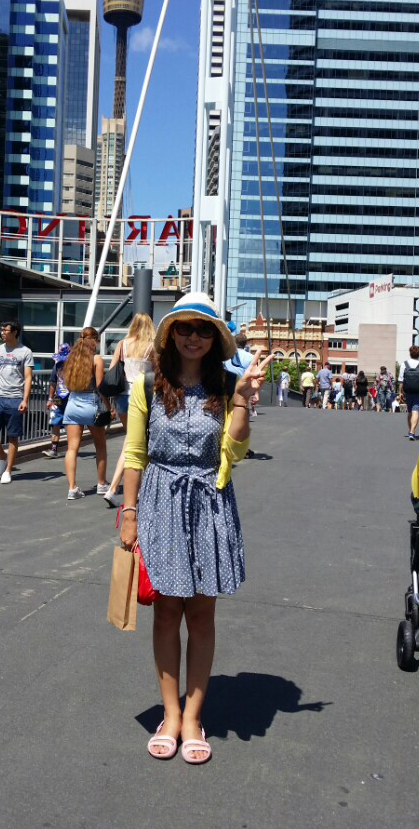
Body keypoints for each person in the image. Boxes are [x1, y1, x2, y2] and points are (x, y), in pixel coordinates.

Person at [120, 293, 273, 764]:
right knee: (166, 612)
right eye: (185, 328)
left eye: (204, 330)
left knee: (202, 614)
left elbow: (235, 451)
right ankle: (170, 714)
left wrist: (242, 399)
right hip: (160, 501)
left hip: (209, 500)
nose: (194, 337)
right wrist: (129, 513)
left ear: (215, 338)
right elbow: (135, 452)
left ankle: (192, 717)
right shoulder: (148, 382)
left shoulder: (225, 384)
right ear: (170, 334)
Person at [103, 314, 156, 508]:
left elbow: (112, 369)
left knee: (131, 439)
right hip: (142, 395)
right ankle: (115, 488)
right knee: (135, 442)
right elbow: (157, 372)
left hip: (122, 396)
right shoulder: (151, 346)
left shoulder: (122, 344)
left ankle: (121, 487)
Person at [63, 327, 110, 500]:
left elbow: (67, 384)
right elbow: (100, 387)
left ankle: (72, 488)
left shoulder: (71, 358)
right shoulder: (96, 359)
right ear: (95, 341)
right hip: (91, 404)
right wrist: (109, 406)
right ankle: (101, 484)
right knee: (100, 446)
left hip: (72, 404)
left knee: (72, 448)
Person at [0, 321, 33, 484]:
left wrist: (25, 399)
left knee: (12, 436)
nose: (2, 333)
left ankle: (8, 470)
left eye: (5, 330)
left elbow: (28, 377)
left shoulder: (25, 351)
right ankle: (2, 456)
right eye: (2, 330)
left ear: (14, 332)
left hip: (15, 398)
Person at [43, 344, 71, 458]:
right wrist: (50, 399)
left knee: (70, 423)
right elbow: (53, 382)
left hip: (71, 396)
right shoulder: (56, 366)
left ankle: (71, 449)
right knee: (55, 422)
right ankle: (53, 449)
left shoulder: (74, 366)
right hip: (58, 397)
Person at [398, 346, 419, 440]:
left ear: (410, 353)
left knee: (410, 411)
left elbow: (401, 380)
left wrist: (400, 392)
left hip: (408, 391)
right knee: (416, 410)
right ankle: (412, 431)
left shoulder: (404, 364)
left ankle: (410, 431)